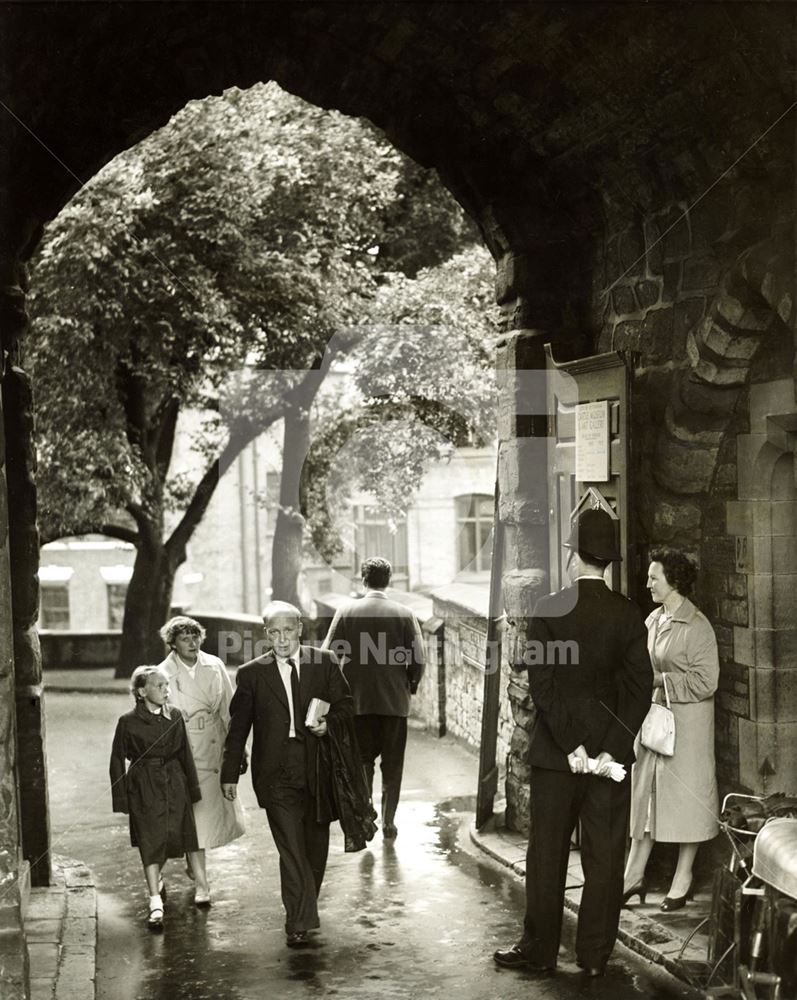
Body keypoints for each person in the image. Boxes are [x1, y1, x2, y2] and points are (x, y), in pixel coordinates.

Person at [493, 508, 652, 978]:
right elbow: (639, 689)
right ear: (608, 562)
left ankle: (539, 950)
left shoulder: (547, 610)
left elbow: (542, 686)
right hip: (608, 759)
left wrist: (571, 745)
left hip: (556, 757)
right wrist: (610, 748)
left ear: (572, 555)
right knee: (605, 857)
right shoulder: (627, 614)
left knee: (548, 852)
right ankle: (595, 955)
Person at [220, 601, 353, 947]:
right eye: (274, 632)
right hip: (275, 774)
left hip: (317, 769)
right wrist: (229, 772)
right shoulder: (251, 674)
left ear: (300, 630)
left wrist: (328, 724)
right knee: (291, 848)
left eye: (288, 631)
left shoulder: (323, 663)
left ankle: (302, 907)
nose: (281, 639)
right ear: (266, 633)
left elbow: (346, 707)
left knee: (315, 848)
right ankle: (298, 920)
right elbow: (238, 728)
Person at [623, 548, 719, 911]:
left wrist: (660, 681)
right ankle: (632, 877)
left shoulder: (698, 627)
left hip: (687, 728)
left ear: (674, 581)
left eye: (654, 577)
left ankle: (683, 878)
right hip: (654, 725)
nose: (647, 583)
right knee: (645, 798)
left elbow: (707, 681)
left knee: (686, 802)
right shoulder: (653, 620)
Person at [322, 556, 425, 840]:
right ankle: (389, 821)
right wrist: (410, 685)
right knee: (393, 765)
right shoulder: (404, 613)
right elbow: (419, 658)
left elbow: (328, 655)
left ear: (363, 579)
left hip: (356, 703)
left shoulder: (346, 611)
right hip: (395, 703)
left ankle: (366, 814)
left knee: (362, 761)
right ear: (388, 580)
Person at [158, 615, 246, 907]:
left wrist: (236, 749)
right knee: (194, 820)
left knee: (205, 819)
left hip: (214, 749)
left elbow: (228, 710)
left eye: (196, 636)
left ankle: (194, 866)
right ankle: (203, 883)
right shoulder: (162, 673)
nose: (193, 643)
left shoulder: (215, 665)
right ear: (173, 643)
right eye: (185, 638)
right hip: (183, 752)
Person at [109, 665, 202, 929]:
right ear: (141, 691)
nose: (166, 691)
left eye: (167, 686)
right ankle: (154, 901)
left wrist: (192, 789)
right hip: (144, 785)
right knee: (150, 840)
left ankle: (158, 880)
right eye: (159, 686)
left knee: (173, 837)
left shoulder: (175, 717)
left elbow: (186, 755)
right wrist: (122, 798)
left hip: (174, 782)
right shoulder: (127, 722)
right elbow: (117, 760)